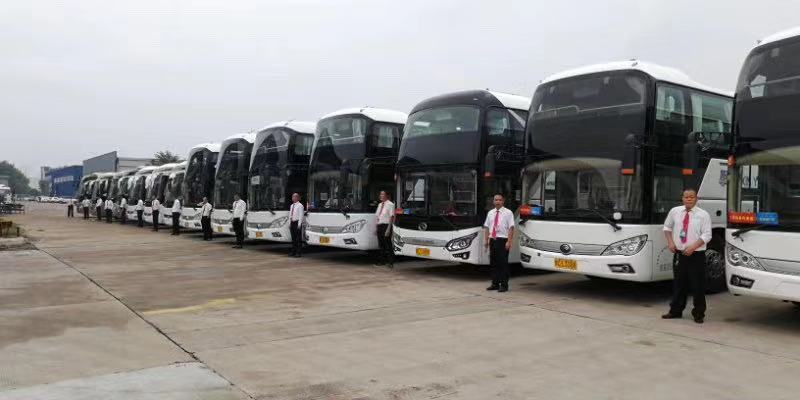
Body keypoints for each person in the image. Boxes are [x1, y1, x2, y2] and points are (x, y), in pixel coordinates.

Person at [661, 188, 712, 324]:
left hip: (696, 254)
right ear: (682, 198)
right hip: (680, 253)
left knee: (698, 285)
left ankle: (698, 313)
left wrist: (693, 247)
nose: (689, 199)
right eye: (686, 197)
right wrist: (670, 242)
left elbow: (707, 235)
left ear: (696, 199)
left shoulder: (703, 215)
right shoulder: (675, 211)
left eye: (692, 197)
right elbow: (667, 228)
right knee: (679, 283)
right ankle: (675, 311)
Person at [483, 194, 515, 293]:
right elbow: (487, 227)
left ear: (503, 201)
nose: (497, 202)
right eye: (496, 200)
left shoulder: (508, 213)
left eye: (499, 200)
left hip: (503, 240)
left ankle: (504, 285)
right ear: (493, 201)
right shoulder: (490, 213)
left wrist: (509, 241)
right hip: (493, 239)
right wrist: (486, 240)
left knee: (503, 263)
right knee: (494, 262)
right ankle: (495, 284)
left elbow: (511, 228)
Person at [374, 190, 395, 268]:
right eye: (380, 194)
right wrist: (376, 227)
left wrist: (388, 229)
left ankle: (390, 262)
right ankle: (382, 261)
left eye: (382, 194)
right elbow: (378, 216)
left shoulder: (390, 204)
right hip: (380, 225)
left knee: (388, 244)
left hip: (386, 226)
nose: (381, 195)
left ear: (387, 196)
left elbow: (391, 217)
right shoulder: (380, 204)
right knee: (381, 244)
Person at [288, 193, 304, 257]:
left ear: (297, 198)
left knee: (298, 239)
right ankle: (293, 252)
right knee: (293, 239)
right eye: (292, 197)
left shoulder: (300, 205)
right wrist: (289, 223)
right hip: (292, 222)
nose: (293, 198)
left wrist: (299, 225)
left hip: (297, 223)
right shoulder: (292, 205)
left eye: (294, 197)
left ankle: (298, 252)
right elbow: (290, 215)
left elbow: (301, 216)